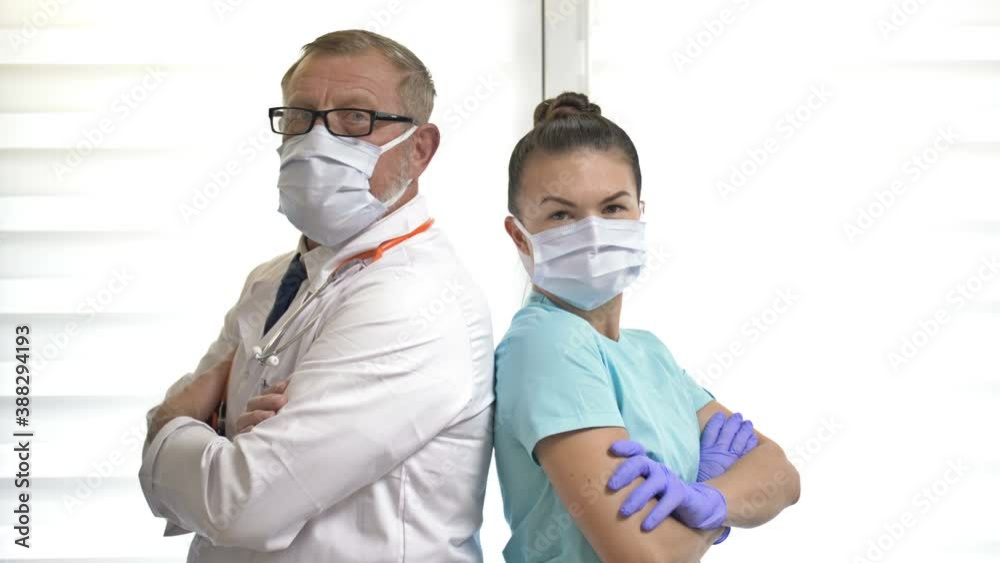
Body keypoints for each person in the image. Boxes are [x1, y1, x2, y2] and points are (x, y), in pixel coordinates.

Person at [138, 30, 494, 562]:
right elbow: (218, 484)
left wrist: (168, 425)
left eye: (356, 118)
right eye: (301, 116)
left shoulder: (416, 298)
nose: (318, 139)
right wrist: (214, 444)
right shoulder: (270, 280)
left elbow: (239, 503)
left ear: (419, 149)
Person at [493, 92, 800, 562]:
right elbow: (646, 557)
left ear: (639, 213)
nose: (594, 232)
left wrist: (707, 499)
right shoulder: (547, 344)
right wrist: (715, 503)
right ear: (520, 236)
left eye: (613, 208)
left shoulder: (647, 353)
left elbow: (781, 476)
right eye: (561, 214)